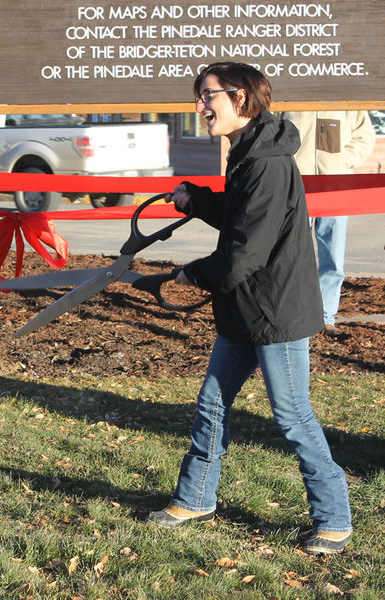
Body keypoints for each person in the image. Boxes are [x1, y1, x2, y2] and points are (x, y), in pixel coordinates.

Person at [147, 62, 352, 556]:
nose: (200, 107)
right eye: (198, 97)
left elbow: (247, 250)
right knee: (212, 403)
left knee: (293, 416)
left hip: (273, 311)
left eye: (207, 96)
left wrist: (192, 273)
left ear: (239, 97)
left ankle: (334, 517)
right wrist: (196, 200)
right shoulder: (251, 150)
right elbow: (244, 218)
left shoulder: (265, 159)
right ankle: (196, 497)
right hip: (246, 304)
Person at [279, 111, 375, 338]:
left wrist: (344, 160)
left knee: (332, 259)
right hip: (296, 188)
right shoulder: (292, 99)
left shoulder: (345, 101)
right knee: (291, 257)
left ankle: (325, 318)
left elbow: (365, 136)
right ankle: (294, 317)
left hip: (336, 189)